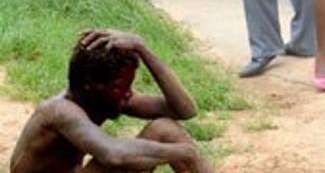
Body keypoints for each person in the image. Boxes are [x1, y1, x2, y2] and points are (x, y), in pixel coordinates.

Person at [9, 29, 213, 172]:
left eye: (129, 86)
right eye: (119, 87)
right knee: (134, 155)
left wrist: (143, 49)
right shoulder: (59, 111)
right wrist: (184, 152)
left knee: (165, 129)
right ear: (91, 84)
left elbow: (185, 110)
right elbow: (113, 154)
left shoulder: (106, 98)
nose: (128, 94)